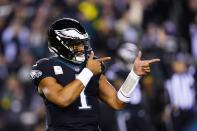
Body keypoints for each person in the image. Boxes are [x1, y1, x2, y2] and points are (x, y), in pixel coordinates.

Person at [30, 18, 160, 131]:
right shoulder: (45, 67)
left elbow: (117, 103)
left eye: (83, 44)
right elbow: (62, 99)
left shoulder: (91, 64)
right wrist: (87, 72)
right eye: (76, 45)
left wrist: (134, 75)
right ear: (60, 44)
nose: (82, 49)